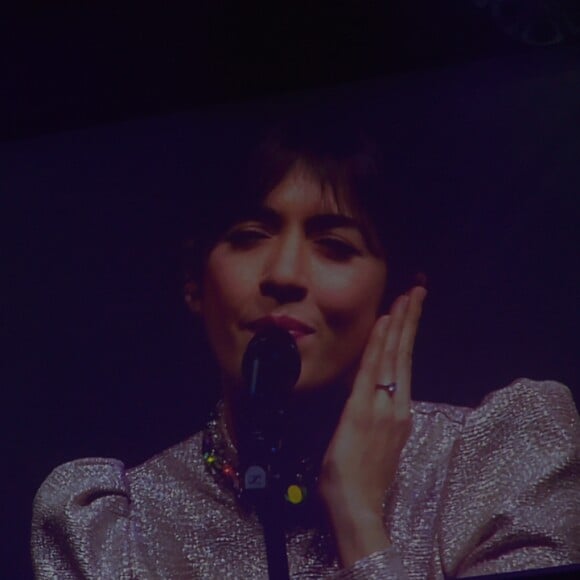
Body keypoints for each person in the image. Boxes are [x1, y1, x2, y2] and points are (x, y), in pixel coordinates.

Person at [31, 107, 579, 579]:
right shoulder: (112, 529)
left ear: (398, 295)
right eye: (248, 237)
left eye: (335, 246)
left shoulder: (495, 465)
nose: (285, 274)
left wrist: (358, 517)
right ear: (195, 284)